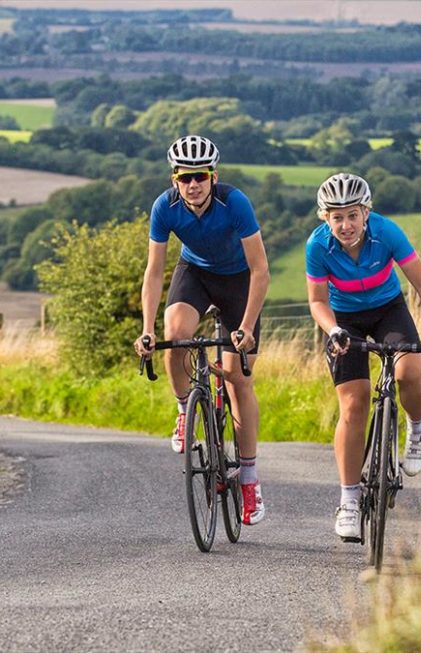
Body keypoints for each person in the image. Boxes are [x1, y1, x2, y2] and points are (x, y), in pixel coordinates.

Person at [305, 172, 421, 542]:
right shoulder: (317, 246)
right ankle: (349, 501)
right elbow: (317, 301)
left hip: (389, 309)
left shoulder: (387, 233)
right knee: (354, 405)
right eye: (337, 217)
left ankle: (417, 430)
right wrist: (333, 331)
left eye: (353, 215)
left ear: (366, 212)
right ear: (326, 218)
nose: (346, 224)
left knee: (408, 372)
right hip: (344, 320)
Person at [134, 135, 271, 526]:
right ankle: (183, 409)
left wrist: (245, 327)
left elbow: (261, 269)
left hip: (238, 281)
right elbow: (155, 271)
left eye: (200, 176)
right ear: (174, 179)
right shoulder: (165, 207)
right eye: (185, 177)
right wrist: (147, 329)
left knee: (237, 378)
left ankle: (248, 480)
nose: (193, 185)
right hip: (194, 273)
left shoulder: (235, 203)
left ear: (213, 176)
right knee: (174, 336)